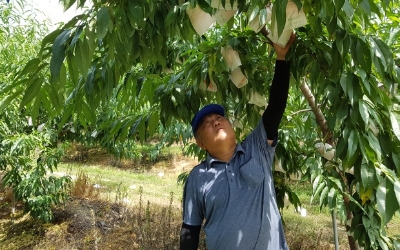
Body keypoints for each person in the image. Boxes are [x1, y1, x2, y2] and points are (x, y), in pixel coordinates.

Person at [180, 33, 296, 250]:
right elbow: (190, 229)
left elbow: (275, 108)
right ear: (201, 143)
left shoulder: (257, 148)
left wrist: (282, 58)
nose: (215, 122)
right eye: (206, 124)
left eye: (219, 118)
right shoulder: (198, 177)